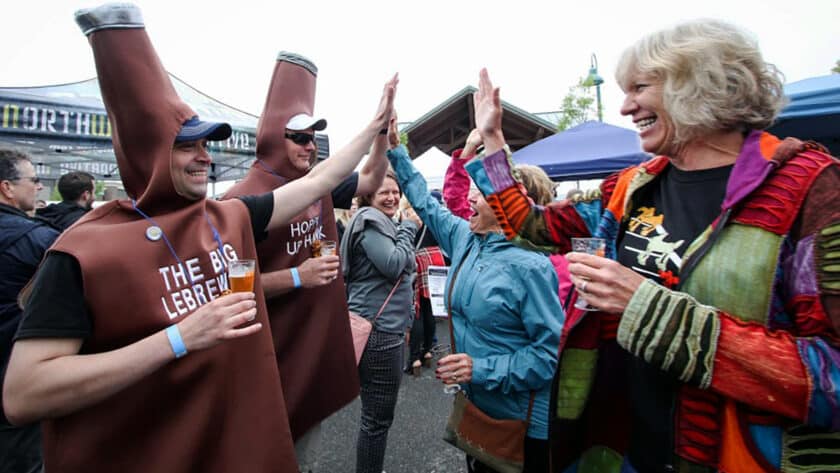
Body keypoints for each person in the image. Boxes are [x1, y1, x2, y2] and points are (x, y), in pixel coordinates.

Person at [1, 4, 396, 472]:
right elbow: (24, 394)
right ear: (148, 150)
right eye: (186, 145)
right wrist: (179, 338)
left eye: (206, 146)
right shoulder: (83, 250)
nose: (204, 157)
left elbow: (316, 184)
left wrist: (374, 130)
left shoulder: (224, 216)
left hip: (220, 440)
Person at [464, 19, 840, 473]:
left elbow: (831, 379)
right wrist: (493, 140)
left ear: (700, 84)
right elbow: (532, 224)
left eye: (639, 87)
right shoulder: (631, 186)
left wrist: (648, 308)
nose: (624, 108)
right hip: (624, 447)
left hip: (735, 457)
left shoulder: (810, 189)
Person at [222, 51, 393, 473]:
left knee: (305, 454)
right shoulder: (243, 199)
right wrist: (297, 276)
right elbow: (227, 287)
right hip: (269, 358)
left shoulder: (319, 185)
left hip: (312, 350)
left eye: (313, 136)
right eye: (298, 136)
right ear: (272, 138)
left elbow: (371, 179)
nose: (309, 144)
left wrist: (384, 135)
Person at [385, 119, 564, 472]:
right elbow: (425, 201)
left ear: (507, 203)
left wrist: (478, 368)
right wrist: (396, 150)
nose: (467, 197)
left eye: (479, 191)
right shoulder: (466, 238)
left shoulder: (531, 265)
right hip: (478, 408)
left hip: (519, 426)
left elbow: (547, 358)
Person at [340, 169, 418, 473]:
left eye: (395, 191)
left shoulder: (382, 223)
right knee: (377, 419)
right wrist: (409, 228)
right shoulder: (371, 222)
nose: (392, 196)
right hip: (380, 329)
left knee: (374, 417)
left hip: (384, 325)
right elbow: (394, 263)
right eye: (384, 192)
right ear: (368, 196)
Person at [0, 149, 57, 473]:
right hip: (14, 376)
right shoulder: (41, 240)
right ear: (7, 187)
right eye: (34, 180)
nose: (38, 187)